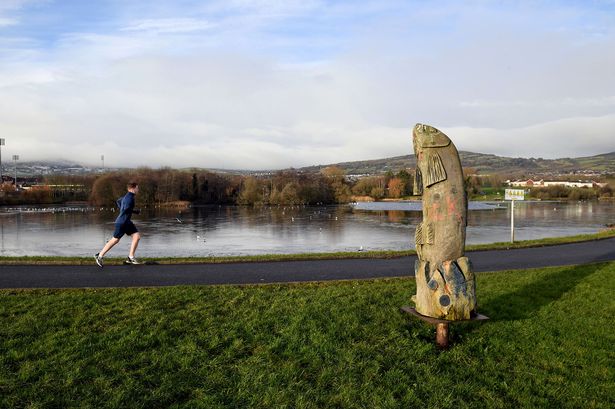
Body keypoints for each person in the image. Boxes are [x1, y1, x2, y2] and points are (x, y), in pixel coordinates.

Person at [95, 182, 142, 267]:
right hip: (122, 222)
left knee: (137, 236)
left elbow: (118, 201)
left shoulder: (126, 197)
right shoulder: (130, 198)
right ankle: (99, 256)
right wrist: (136, 211)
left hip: (126, 221)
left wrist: (122, 209)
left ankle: (130, 257)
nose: (138, 190)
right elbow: (126, 209)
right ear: (133, 188)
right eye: (137, 188)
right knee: (115, 240)